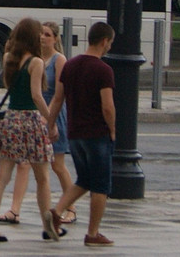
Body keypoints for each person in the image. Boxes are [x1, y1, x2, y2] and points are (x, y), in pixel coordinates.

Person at [0, 18, 60, 243]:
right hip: (31, 121)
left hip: (10, 120)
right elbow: (37, 96)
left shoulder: (8, 58)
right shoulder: (36, 62)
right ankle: (48, 227)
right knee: (43, 177)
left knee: (2, 176)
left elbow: (10, 87)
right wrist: (51, 120)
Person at [0, 21, 76, 226]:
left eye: (48, 35)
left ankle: (70, 208)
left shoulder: (59, 60)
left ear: (56, 38)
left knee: (57, 165)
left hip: (52, 115)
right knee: (23, 164)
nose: (43, 38)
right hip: (34, 117)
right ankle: (15, 210)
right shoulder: (34, 58)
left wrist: (49, 118)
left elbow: (59, 94)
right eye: (41, 34)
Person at [47, 21, 117, 247]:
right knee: (100, 186)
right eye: (110, 43)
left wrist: (51, 124)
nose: (109, 47)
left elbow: (58, 98)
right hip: (97, 133)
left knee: (84, 179)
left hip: (75, 133)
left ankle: (56, 213)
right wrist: (113, 129)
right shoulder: (103, 70)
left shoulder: (71, 65)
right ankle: (93, 233)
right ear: (105, 41)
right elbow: (107, 106)